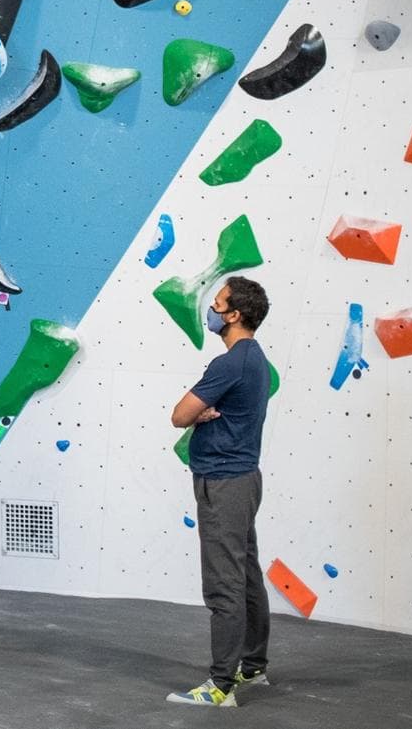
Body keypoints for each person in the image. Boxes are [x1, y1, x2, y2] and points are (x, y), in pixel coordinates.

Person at [166, 277, 273, 708]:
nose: (211, 310)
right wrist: (203, 412)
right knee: (246, 576)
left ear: (234, 315)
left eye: (217, 304)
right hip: (243, 480)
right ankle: (253, 666)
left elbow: (179, 415)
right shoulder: (255, 359)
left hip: (223, 484)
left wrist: (197, 414)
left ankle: (220, 686)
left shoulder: (228, 364)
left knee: (223, 585)